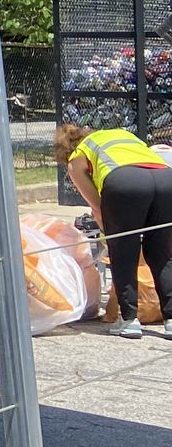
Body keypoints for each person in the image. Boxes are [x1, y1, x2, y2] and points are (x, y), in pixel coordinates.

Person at [59, 123, 172, 338]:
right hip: (166, 179)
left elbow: (98, 207)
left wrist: (108, 233)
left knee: (123, 251)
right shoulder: (122, 135)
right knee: (162, 253)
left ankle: (129, 320)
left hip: (125, 183)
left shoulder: (77, 156)